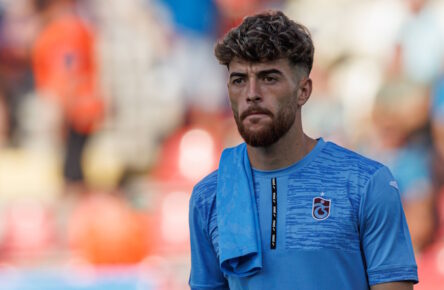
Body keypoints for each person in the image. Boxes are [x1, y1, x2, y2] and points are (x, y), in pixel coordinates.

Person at [188, 10, 418, 290]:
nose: (251, 93)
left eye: (269, 78)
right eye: (239, 80)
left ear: (304, 91)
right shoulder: (209, 196)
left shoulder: (366, 183)